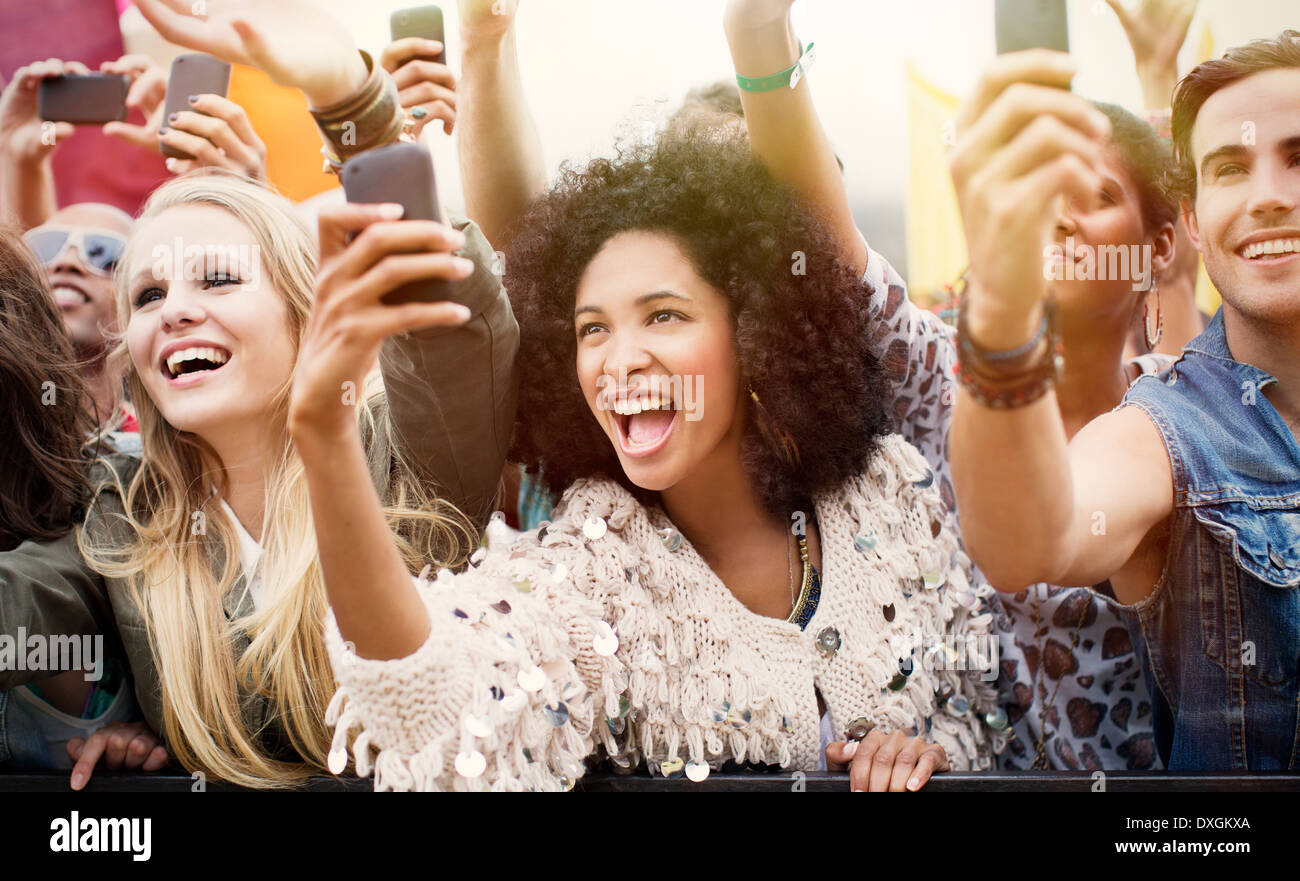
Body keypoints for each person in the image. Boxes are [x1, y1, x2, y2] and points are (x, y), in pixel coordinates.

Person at [0, 0, 517, 789]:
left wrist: (352, 102)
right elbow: (17, 614)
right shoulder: (119, 505)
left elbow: (447, 310)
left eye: (217, 278)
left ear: (305, 308)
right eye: (144, 296)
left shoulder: (408, 452)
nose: (173, 309)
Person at [718, 0, 1187, 769]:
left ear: (1159, 245)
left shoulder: (1191, 415)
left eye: (1096, 195)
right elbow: (823, 228)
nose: (1054, 213)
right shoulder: (939, 379)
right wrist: (755, 25)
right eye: (1030, 181)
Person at [948, 31, 1300, 771]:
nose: (1268, 194)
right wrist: (1004, 305)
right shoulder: (1170, 428)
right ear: (1196, 224)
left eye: (1298, 159)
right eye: (1230, 168)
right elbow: (1030, 542)